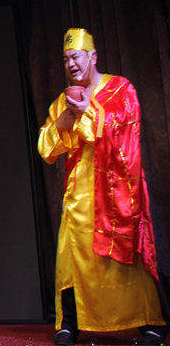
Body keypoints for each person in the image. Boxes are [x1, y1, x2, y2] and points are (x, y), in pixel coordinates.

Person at [38, 28, 166, 346]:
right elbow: (47, 148)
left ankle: (147, 321)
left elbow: (126, 127)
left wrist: (88, 112)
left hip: (119, 189)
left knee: (126, 254)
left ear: (92, 57)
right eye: (65, 59)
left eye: (75, 57)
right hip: (79, 193)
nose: (70, 64)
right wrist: (66, 119)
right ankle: (70, 323)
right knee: (72, 257)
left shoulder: (120, 88)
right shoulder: (62, 100)